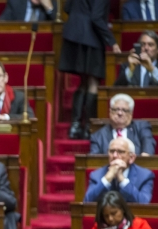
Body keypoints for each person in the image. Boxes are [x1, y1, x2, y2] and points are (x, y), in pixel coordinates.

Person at [59, 0, 120, 140]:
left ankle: (74, 127)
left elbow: (67, 7)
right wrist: (112, 41)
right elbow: (96, 18)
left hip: (73, 36)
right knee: (93, 82)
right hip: (91, 38)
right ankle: (88, 127)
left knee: (84, 81)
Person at [84, 137, 155, 204]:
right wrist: (107, 179)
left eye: (120, 152)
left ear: (131, 158)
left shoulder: (145, 176)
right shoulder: (96, 175)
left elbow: (144, 203)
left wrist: (122, 179)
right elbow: (87, 201)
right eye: (112, 151)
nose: (114, 155)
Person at [90, 94, 156, 156]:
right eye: (116, 109)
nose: (120, 113)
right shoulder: (98, 136)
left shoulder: (141, 127)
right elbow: (94, 161)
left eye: (124, 110)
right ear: (110, 112)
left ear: (130, 114)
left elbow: (148, 148)